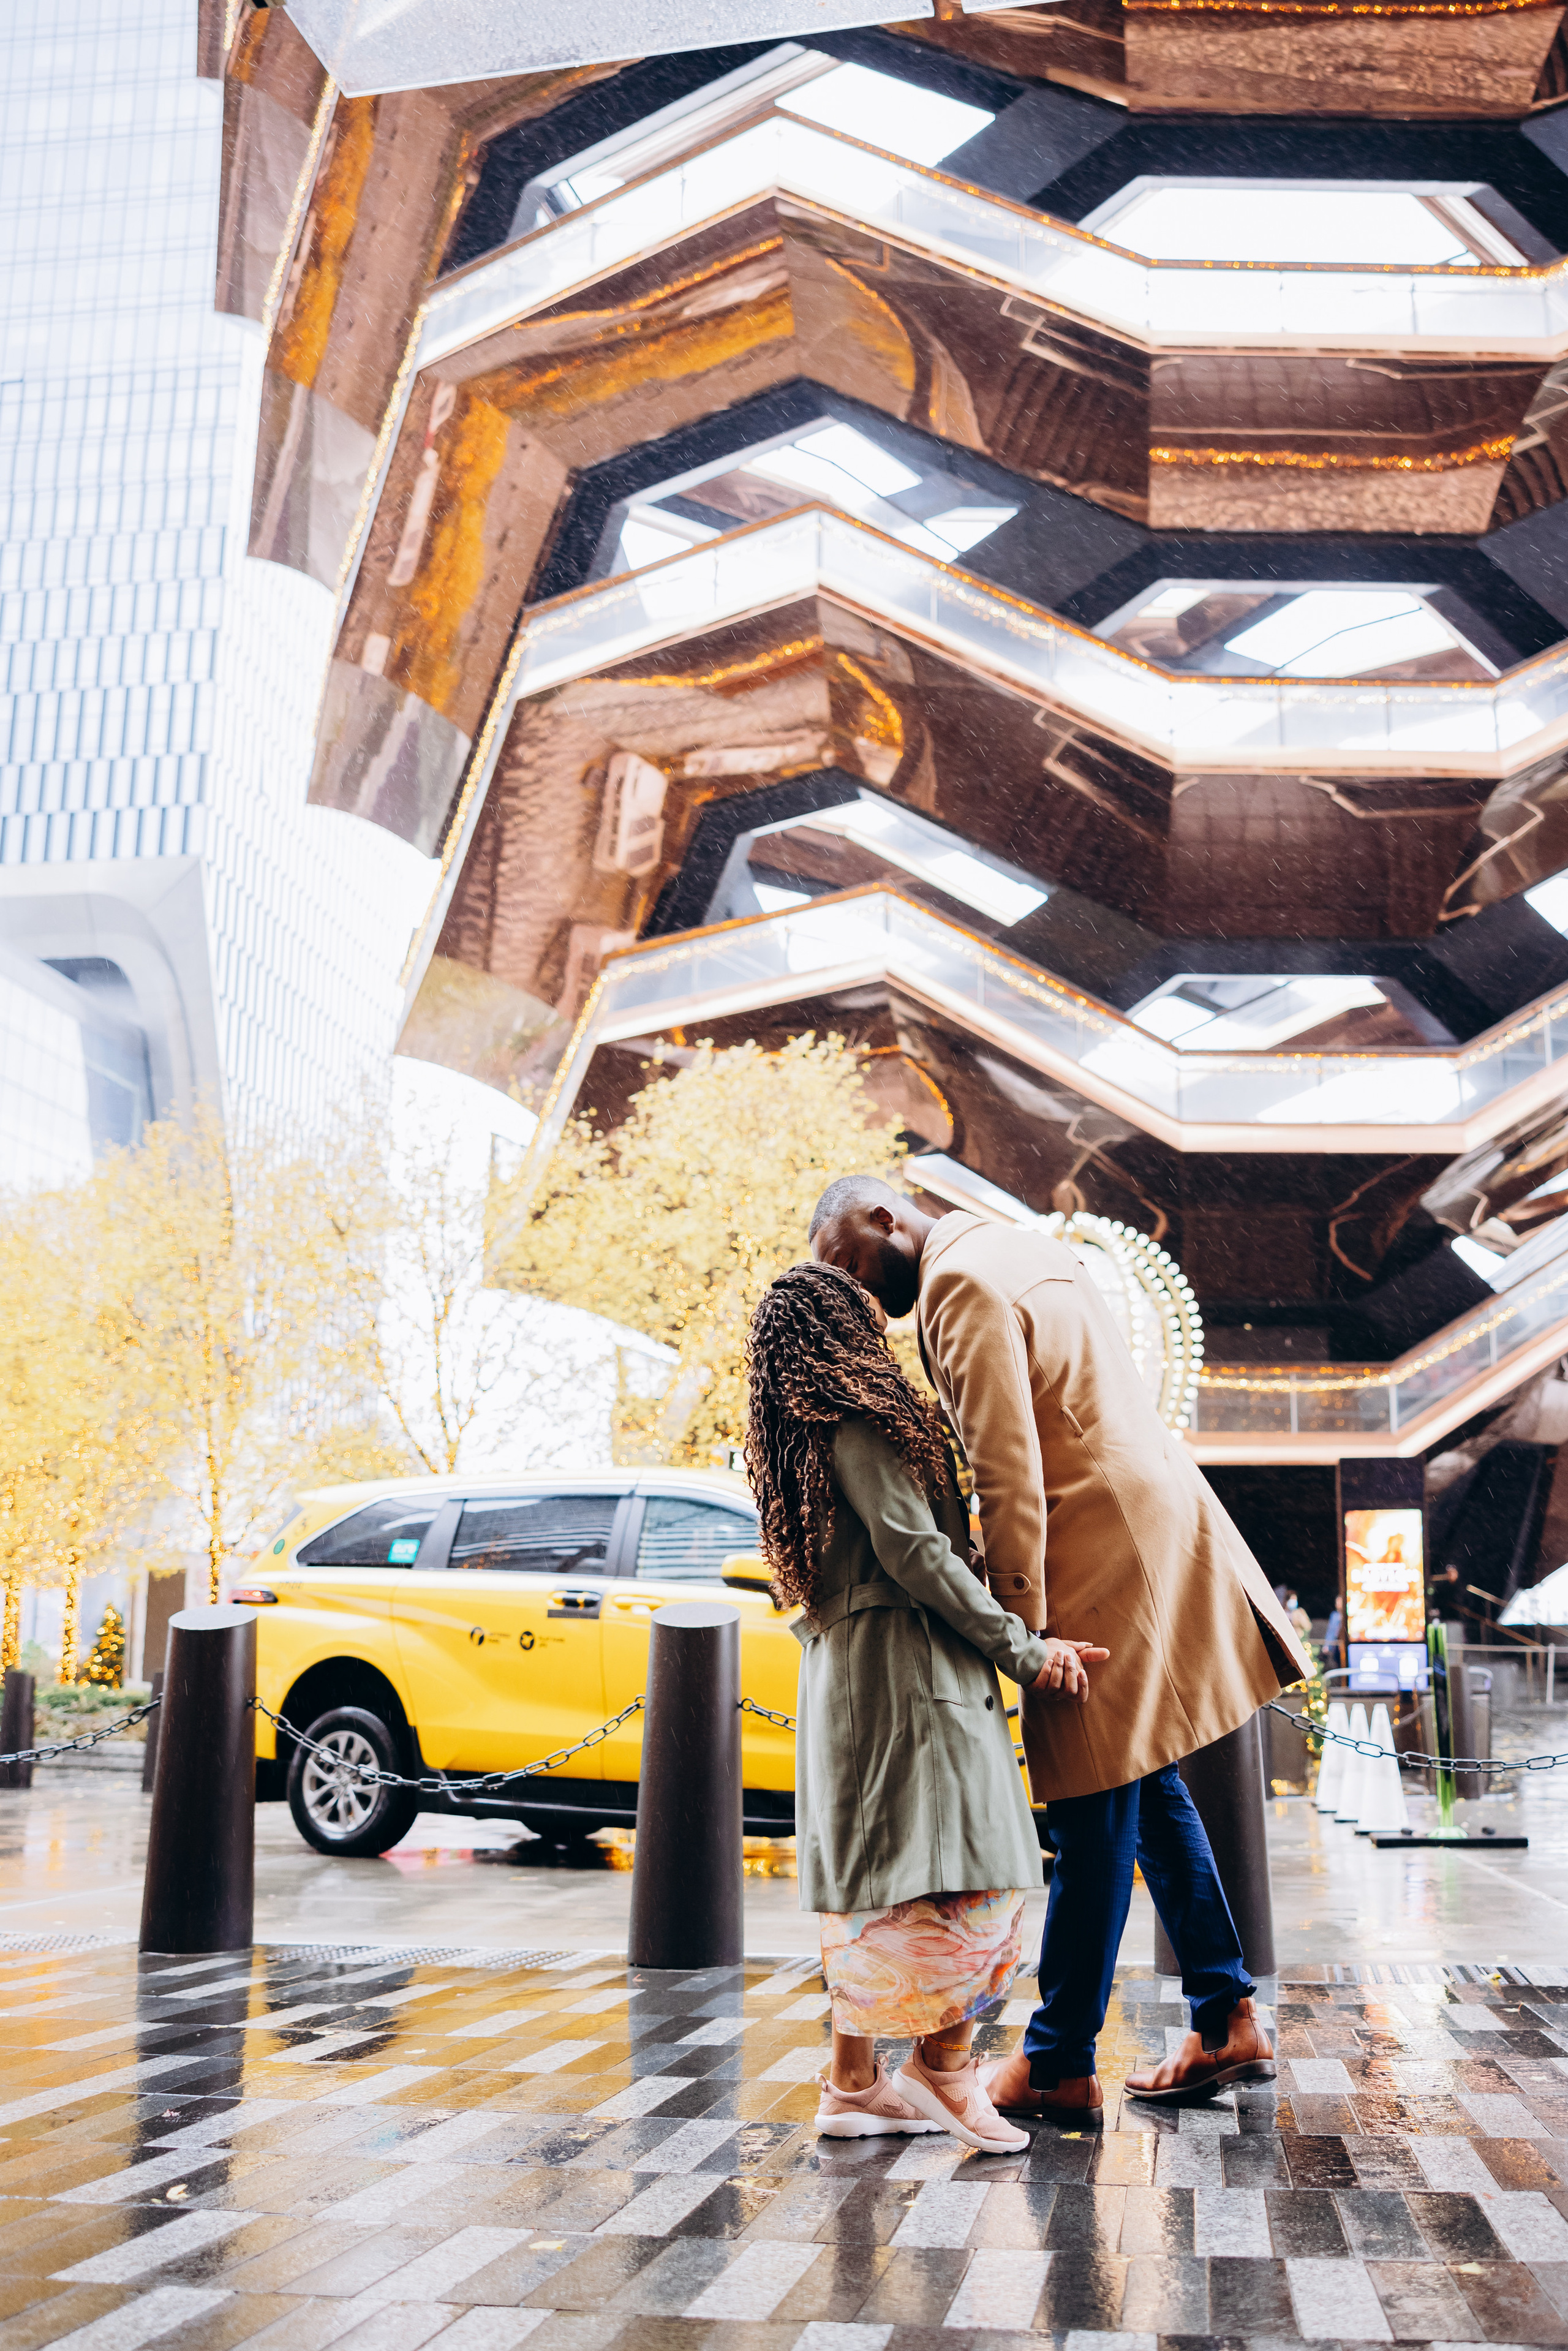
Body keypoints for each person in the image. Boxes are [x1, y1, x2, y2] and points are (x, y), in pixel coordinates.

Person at [810, 1176, 1313, 2114]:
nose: (859, 1296)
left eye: (849, 1263)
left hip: (1092, 1557)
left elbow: (1007, 1471)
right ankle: (1225, 2013)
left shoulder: (957, 1285)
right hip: (1150, 1519)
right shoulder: (1023, 1244)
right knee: (1146, 1784)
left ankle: (1057, 2058)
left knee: (1087, 1808)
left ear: (887, 1217)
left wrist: (1020, 1634)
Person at [745, 1259, 1093, 2151]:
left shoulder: (802, 1433)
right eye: (866, 1316)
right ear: (840, 1332)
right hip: (907, 1675)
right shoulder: (860, 1419)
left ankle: (852, 2086)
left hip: (855, 1678)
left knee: (876, 1891)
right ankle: (947, 2073)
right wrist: (1024, 1648)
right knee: (984, 1880)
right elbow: (918, 1552)